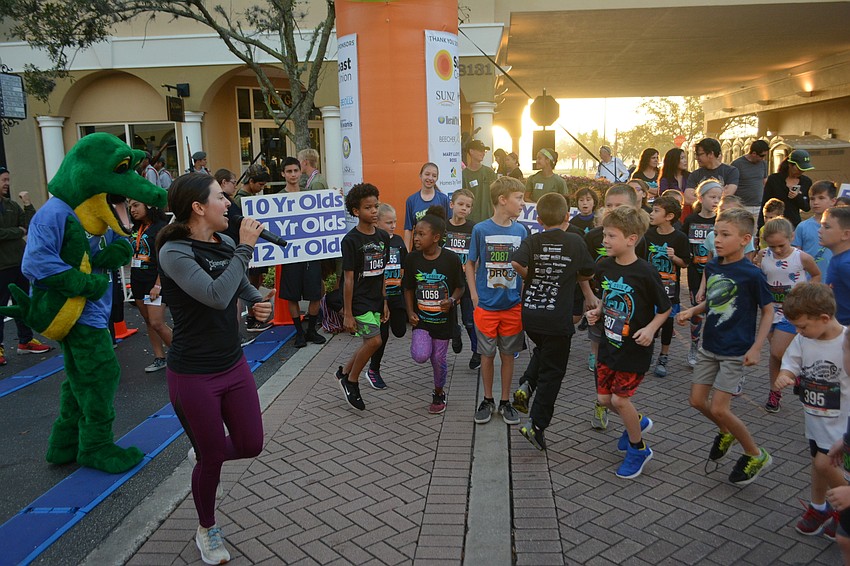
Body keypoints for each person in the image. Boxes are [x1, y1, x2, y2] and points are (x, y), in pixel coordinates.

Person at [157, 173, 270, 565]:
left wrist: (256, 299)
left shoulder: (222, 242)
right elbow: (215, 295)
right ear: (198, 207)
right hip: (193, 374)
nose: (229, 204)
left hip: (232, 363)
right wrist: (245, 249)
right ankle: (207, 528)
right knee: (212, 460)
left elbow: (236, 287)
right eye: (222, 198)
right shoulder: (174, 252)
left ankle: (206, 454)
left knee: (251, 443)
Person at [677, 208, 774, 485]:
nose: (716, 239)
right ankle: (726, 432)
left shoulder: (751, 274)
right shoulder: (713, 266)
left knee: (720, 408)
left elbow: (768, 311)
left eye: (724, 235)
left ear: (745, 239)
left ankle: (755, 454)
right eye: (715, 233)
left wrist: (757, 347)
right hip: (709, 345)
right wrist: (693, 310)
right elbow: (717, 299)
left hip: (735, 350)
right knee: (696, 401)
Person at [585, 206, 671, 478]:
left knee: (620, 401)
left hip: (635, 349)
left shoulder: (645, 272)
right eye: (604, 235)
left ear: (631, 239)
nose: (605, 241)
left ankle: (639, 449)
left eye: (611, 236)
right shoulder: (604, 266)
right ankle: (637, 422)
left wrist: (650, 329)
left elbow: (665, 308)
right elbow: (607, 298)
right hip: (609, 345)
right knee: (603, 398)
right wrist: (597, 311)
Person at [511, 193, 594, 450]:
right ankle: (536, 425)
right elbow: (588, 271)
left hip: (532, 315)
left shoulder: (534, 240)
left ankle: (526, 383)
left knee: (545, 350)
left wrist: (533, 276)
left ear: (538, 219)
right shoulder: (575, 241)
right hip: (558, 317)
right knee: (553, 373)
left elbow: (515, 262)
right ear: (567, 216)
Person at [773, 283, 848, 539]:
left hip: (841, 429)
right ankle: (820, 508)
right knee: (817, 465)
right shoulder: (805, 339)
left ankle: (845, 506)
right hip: (815, 423)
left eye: (803, 326)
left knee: (826, 465)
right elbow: (791, 361)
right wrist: (785, 375)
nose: (798, 331)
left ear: (824, 318)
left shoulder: (846, 342)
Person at [584, 184, 648, 431]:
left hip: (625, 314)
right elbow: (585, 273)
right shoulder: (594, 237)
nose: (613, 211)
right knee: (601, 358)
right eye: (609, 206)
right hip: (600, 304)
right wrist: (590, 296)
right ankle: (601, 404)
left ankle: (622, 409)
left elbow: (642, 281)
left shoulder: (639, 241)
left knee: (619, 366)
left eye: (619, 207)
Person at [466, 176, 527, 425]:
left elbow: (525, 266)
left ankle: (505, 401)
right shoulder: (481, 229)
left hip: (512, 306)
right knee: (486, 355)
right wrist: (473, 294)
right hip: (486, 306)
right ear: (503, 200)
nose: (523, 203)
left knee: (509, 355)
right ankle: (488, 399)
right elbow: (470, 263)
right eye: (519, 198)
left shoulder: (521, 231)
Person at [404, 207, 464, 414]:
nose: (417, 238)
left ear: (436, 237)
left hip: (443, 322)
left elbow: (460, 286)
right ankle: (429, 349)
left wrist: (453, 300)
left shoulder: (451, 259)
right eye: (415, 233)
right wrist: (410, 311)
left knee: (438, 360)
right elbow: (408, 287)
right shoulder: (412, 259)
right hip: (422, 320)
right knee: (421, 355)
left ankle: (439, 393)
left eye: (422, 234)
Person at [336, 183, 390, 411]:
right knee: (375, 341)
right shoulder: (351, 241)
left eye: (376, 206)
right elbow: (348, 278)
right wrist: (347, 313)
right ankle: (352, 382)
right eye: (368, 207)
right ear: (356, 211)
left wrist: (385, 300)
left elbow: (382, 273)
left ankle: (345, 372)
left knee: (370, 341)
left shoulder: (383, 237)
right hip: (358, 300)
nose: (374, 211)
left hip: (376, 299)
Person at [759, 217, 820, 412]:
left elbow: (816, 275)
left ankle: (794, 372)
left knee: (777, 351)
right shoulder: (763, 255)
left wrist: (804, 292)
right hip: (770, 311)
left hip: (792, 312)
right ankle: (775, 392)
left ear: (791, 237)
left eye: (781, 245)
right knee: (775, 356)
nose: (777, 250)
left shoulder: (801, 257)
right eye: (772, 246)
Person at [0, 166, 51, 364]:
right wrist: (16, 231)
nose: (7, 184)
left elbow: (31, 225)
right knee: (1, 307)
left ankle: (26, 341)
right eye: (4, 180)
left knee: (23, 303)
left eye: (8, 180)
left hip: (18, 264)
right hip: (2, 267)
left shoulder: (12, 205)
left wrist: (28, 205)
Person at [278, 156, 327, 348]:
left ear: (300, 171)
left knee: (315, 293)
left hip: (311, 253)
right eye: (288, 171)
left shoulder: (310, 195)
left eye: (295, 171)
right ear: (283, 174)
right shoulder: (277, 197)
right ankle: (299, 332)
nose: (292, 175)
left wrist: (334, 198)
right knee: (292, 296)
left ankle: (312, 330)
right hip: (290, 254)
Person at [645, 195, 690, 377]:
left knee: (667, 322)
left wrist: (674, 257)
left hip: (669, 288)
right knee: (649, 320)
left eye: (656, 211)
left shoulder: (679, 237)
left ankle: (664, 355)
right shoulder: (647, 234)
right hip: (649, 287)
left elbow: (685, 263)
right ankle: (647, 352)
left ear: (669, 216)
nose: (652, 214)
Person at [682, 179, 723, 367]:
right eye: (712, 196)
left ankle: (713, 350)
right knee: (696, 312)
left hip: (717, 275)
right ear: (701, 197)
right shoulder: (691, 219)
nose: (715, 201)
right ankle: (693, 346)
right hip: (695, 273)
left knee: (716, 313)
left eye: (719, 197)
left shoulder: (720, 221)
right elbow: (683, 241)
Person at [128, 198, 172, 372]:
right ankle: (159, 357)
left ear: (149, 205)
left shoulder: (161, 228)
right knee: (148, 321)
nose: (132, 209)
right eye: (130, 206)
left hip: (155, 281)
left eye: (136, 205)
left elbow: (165, 259)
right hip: (137, 279)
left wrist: (158, 285)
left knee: (157, 322)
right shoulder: (136, 228)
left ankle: (182, 355)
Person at [367, 203, 407, 389]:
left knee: (400, 331)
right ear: (378, 222)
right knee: (381, 337)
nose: (393, 226)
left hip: (396, 295)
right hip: (379, 299)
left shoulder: (398, 241)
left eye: (395, 222)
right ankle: (374, 370)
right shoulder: (374, 242)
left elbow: (406, 266)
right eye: (389, 222)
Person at [234, 164, 273, 333]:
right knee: (250, 283)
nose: (261, 189)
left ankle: (253, 316)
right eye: (260, 185)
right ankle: (252, 317)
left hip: (255, 248)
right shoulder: (239, 200)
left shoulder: (248, 197)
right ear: (251, 181)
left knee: (257, 281)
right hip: (246, 247)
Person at [445, 188, 479, 369]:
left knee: (469, 320)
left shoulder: (474, 228)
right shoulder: (443, 227)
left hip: (466, 281)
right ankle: (455, 334)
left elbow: (478, 257)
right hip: (446, 282)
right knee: (450, 317)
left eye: (468, 206)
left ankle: (477, 352)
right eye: (460, 204)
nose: (463, 208)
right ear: (452, 205)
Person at [760, 149, 815, 227]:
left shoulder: (806, 182)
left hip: (794, 225)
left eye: (803, 169)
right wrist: (760, 228)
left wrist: (797, 197)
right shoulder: (774, 180)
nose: (801, 171)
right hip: (774, 225)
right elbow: (764, 204)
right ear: (790, 164)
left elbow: (807, 207)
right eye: (799, 169)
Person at [403, 162, 451, 251]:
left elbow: (450, 226)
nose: (430, 178)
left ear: (437, 178)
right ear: (420, 175)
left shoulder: (443, 199)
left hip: (439, 249)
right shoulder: (411, 200)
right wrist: (406, 253)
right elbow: (408, 229)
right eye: (427, 174)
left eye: (434, 175)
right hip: (419, 249)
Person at [794, 180, 837, 273]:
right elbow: (795, 256)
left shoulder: (841, 226)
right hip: (809, 281)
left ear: (833, 201)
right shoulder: (802, 227)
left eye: (821, 198)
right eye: (812, 199)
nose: (815, 202)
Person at [685, 138, 739, 206]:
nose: (696, 158)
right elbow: (687, 199)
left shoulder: (731, 171)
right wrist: (718, 196)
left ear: (711, 154)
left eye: (699, 154)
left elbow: (728, 194)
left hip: (722, 215)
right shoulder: (695, 175)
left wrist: (700, 197)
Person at [821, 206, 850, 325]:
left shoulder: (845, 264)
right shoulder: (837, 259)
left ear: (846, 234)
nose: (820, 230)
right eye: (821, 225)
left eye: (826, 227)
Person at [730, 140, 770, 217]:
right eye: (761, 156)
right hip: (742, 206)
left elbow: (764, 182)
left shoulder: (763, 164)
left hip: (758, 206)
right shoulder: (737, 164)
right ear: (754, 153)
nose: (763, 158)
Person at [463, 139, 497, 223]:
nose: (483, 153)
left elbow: (497, 194)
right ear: (471, 151)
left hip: (490, 218)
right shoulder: (464, 175)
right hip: (471, 220)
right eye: (480, 150)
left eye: (484, 151)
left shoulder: (490, 172)